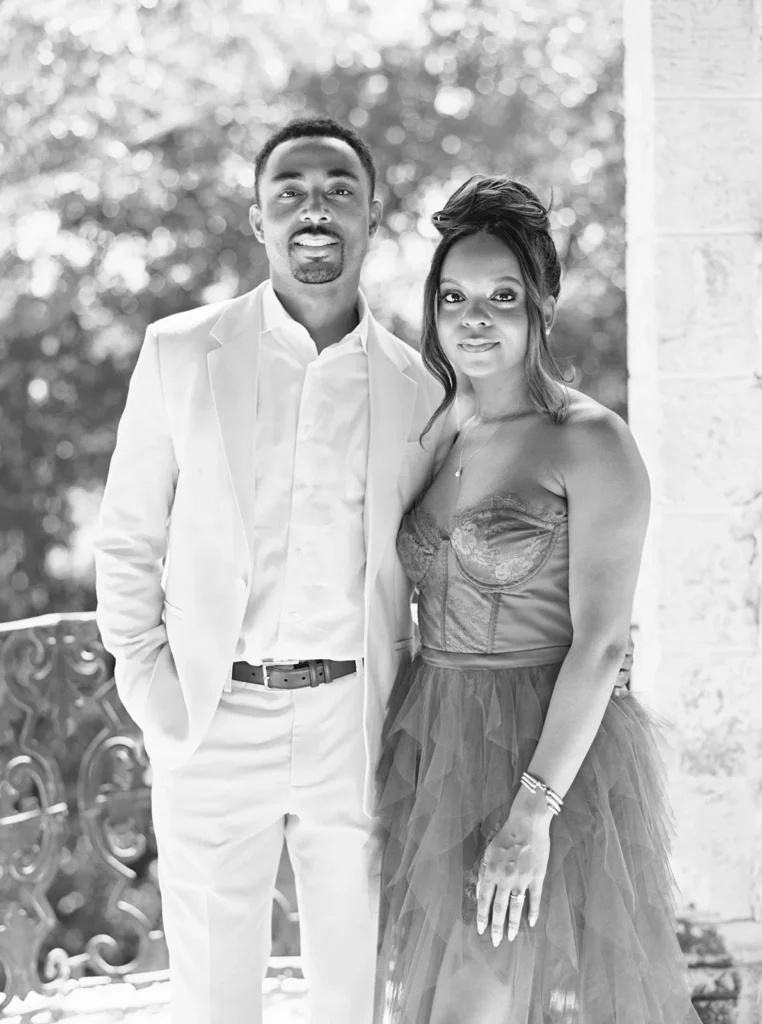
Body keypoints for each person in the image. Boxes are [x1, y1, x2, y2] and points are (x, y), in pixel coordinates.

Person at [93, 116, 456, 1024]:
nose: (314, 208)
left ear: (373, 215)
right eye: (289, 190)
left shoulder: (420, 389)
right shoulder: (181, 352)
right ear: (258, 221)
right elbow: (128, 536)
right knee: (213, 995)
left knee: (351, 994)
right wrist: (152, 685)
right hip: (213, 713)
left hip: (353, 722)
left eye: (339, 189)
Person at [375, 176, 701, 1024]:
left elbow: (600, 645)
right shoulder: (443, 425)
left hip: (542, 750)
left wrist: (532, 816)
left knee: (468, 1008)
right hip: (433, 741)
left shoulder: (589, 440)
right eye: (453, 297)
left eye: (502, 297)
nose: (472, 317)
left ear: (543, 305)